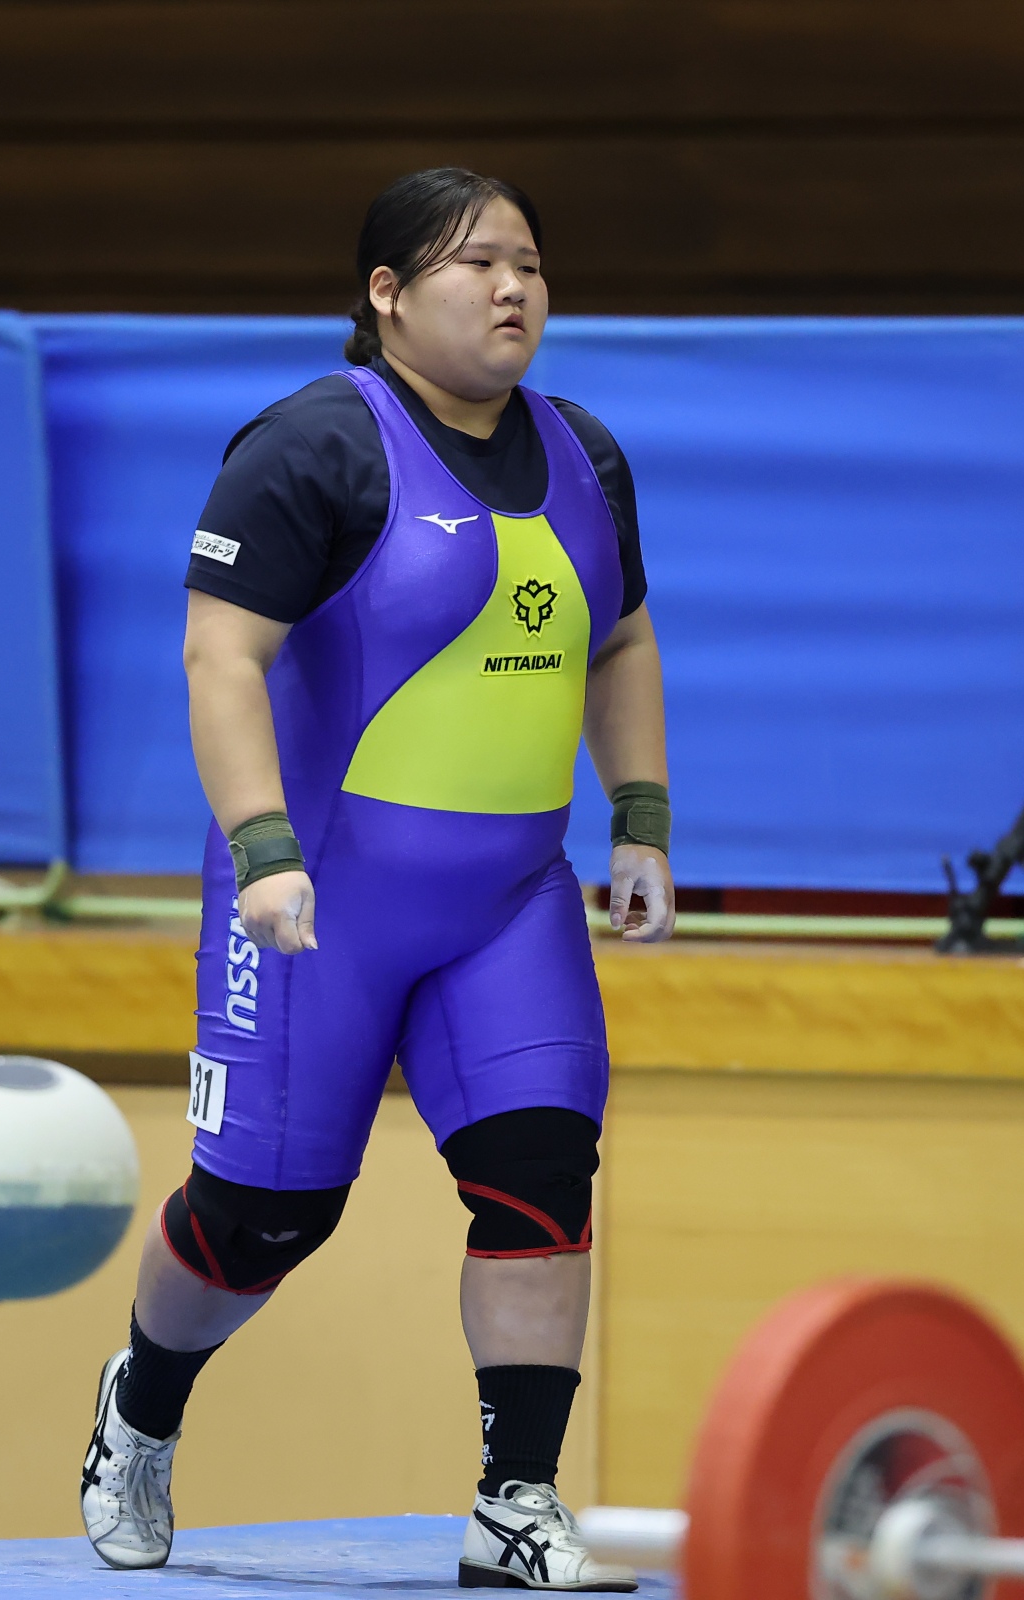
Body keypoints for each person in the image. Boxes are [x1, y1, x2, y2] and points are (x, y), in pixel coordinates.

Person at [80, 168, 673, 1591]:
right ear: (387, 294)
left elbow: (621, 642)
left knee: (542, 1178)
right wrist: (262, 849)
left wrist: (640, 820)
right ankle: (141, 1404)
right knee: (263, 1220)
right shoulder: (311, 448)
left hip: (510, 901)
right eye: (476, 263)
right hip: (315, 903)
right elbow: (222, 657)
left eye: (531, 261)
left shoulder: (586, 455)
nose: (514, 287)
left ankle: (513, 1502)